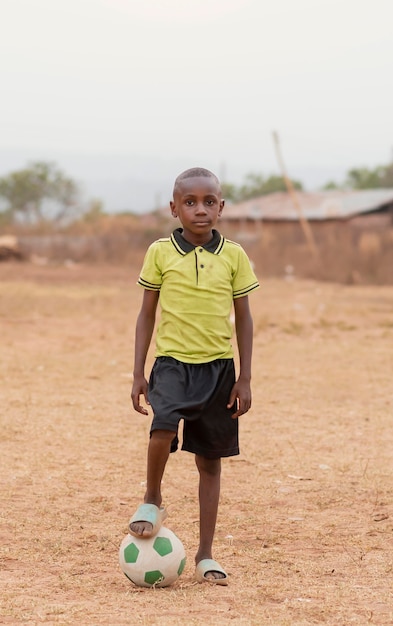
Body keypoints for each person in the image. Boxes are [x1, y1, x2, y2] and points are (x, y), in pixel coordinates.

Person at [129, 167, 259, 585]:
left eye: (209, 202)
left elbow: (245, 318)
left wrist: (246, 378)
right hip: (172, 364)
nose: (199, 210)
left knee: (210, 462)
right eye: (190, 202)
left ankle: (205, 554)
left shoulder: (234, 255)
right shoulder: (160, 252)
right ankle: (152, 497)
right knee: (162, 427)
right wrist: (138, 371)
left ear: (221, 207)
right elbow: (147, 313)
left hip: (220, 369)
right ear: (174, 208)